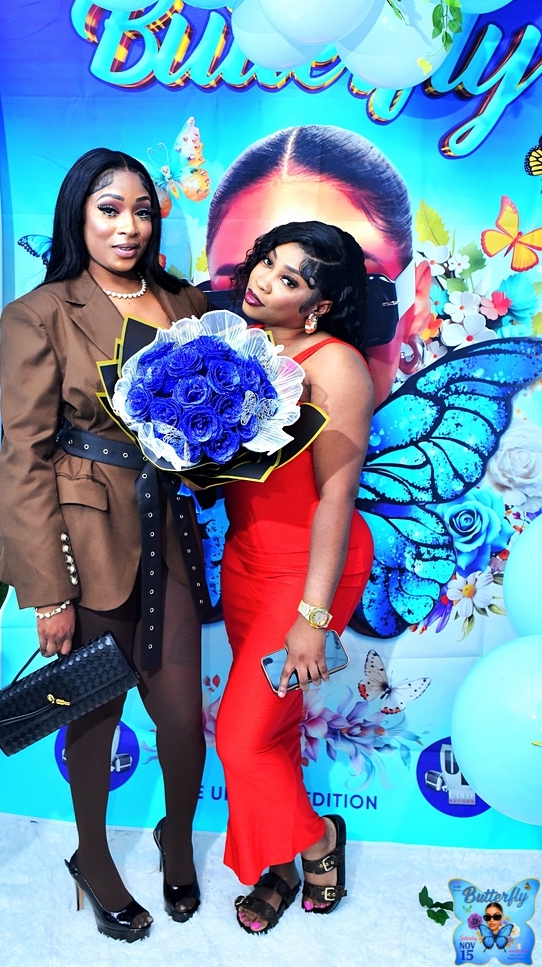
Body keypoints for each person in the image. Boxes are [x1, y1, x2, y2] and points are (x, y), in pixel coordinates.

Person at [0, 148, 209, 942]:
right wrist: (49, 589)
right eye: (110, 209)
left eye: (143, 211)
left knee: (182, 719)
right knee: (94, 713)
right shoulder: (39, 312)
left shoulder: (186, 302)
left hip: (168, 531)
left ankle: (176, 838)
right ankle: (91, 855)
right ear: (78, 216)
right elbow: (23, 457)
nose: (129, 226)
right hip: (86, 539)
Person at [214, 220, 375, 934]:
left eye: (289, 278)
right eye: (266, 262)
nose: (263, 280)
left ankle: (315, 841)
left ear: (319, 305)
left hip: (309, 571)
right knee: (271, 729)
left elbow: (336, 498)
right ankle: (277, 866)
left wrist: (312, 617)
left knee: (240, 738)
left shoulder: (335, 365)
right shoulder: (239, 348)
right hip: (245, 561)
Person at [205, 124, 432, 409]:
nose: (262, 283)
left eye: (360, 297)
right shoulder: (228, 354)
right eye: (231, 297)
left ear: (417, 301)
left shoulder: (339, 366)